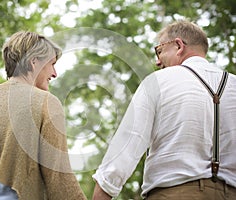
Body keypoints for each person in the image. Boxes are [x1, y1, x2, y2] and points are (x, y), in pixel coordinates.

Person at [92, 20, 236, 200]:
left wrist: (101, 194)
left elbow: (127, 145)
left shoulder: (159, 81)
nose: (158, 61)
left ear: (178, 45)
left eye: (159, 50)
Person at [0, 31, 87, 200]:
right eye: (52, 64)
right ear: (34, 62)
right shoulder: (46, 102)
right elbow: (59, 180)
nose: (55, 73)